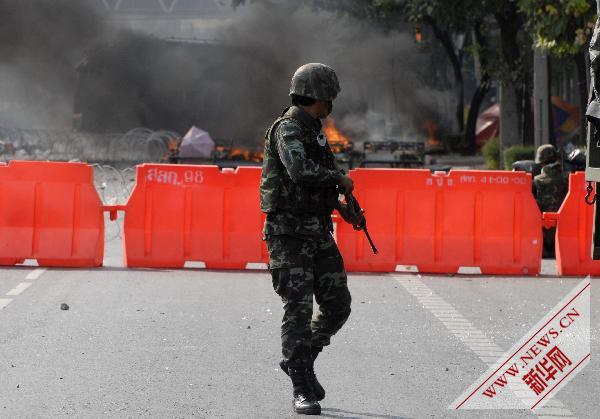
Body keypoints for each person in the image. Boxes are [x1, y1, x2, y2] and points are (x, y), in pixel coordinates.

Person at [260, 63, 365, 415]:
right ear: (317, 97)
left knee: (338, 305)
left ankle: (300, 359)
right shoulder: (288, 129)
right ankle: (301, 385)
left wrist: (341, 208)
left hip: (317, 231)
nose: (331, 104)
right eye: (329, 98)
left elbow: (312, 185)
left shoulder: (314, 130)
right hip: (288, 236)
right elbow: (300, 171)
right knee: (299, 308)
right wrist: (338, 178)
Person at [532, 144, 569, 258]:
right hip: (566, 233)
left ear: (541, 162)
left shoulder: (537, 181)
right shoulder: (569, 178)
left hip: (544, 235)